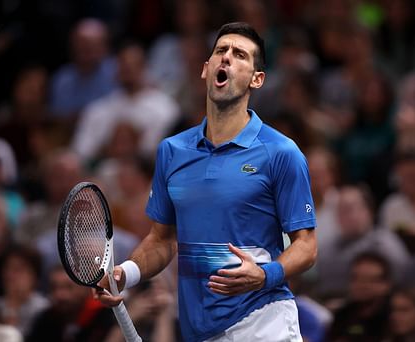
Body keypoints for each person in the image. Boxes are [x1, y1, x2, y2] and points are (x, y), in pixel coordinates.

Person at [96, 22, 318, 342]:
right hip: (199, 329)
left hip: (263, 321)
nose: (226, 58)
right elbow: (162, 240)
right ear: (206, 69)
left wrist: (265, 275)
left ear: (257, 79)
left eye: (239, 54)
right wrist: (124, 274)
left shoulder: (281, 152)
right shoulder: (172, 151)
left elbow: (307, 246)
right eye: (220, 51)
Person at [328, 252, 394, 342]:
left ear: (386, 284)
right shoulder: (343, 315)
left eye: (371, 280)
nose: (361, 285)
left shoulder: (394, 316)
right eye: (356, 279)